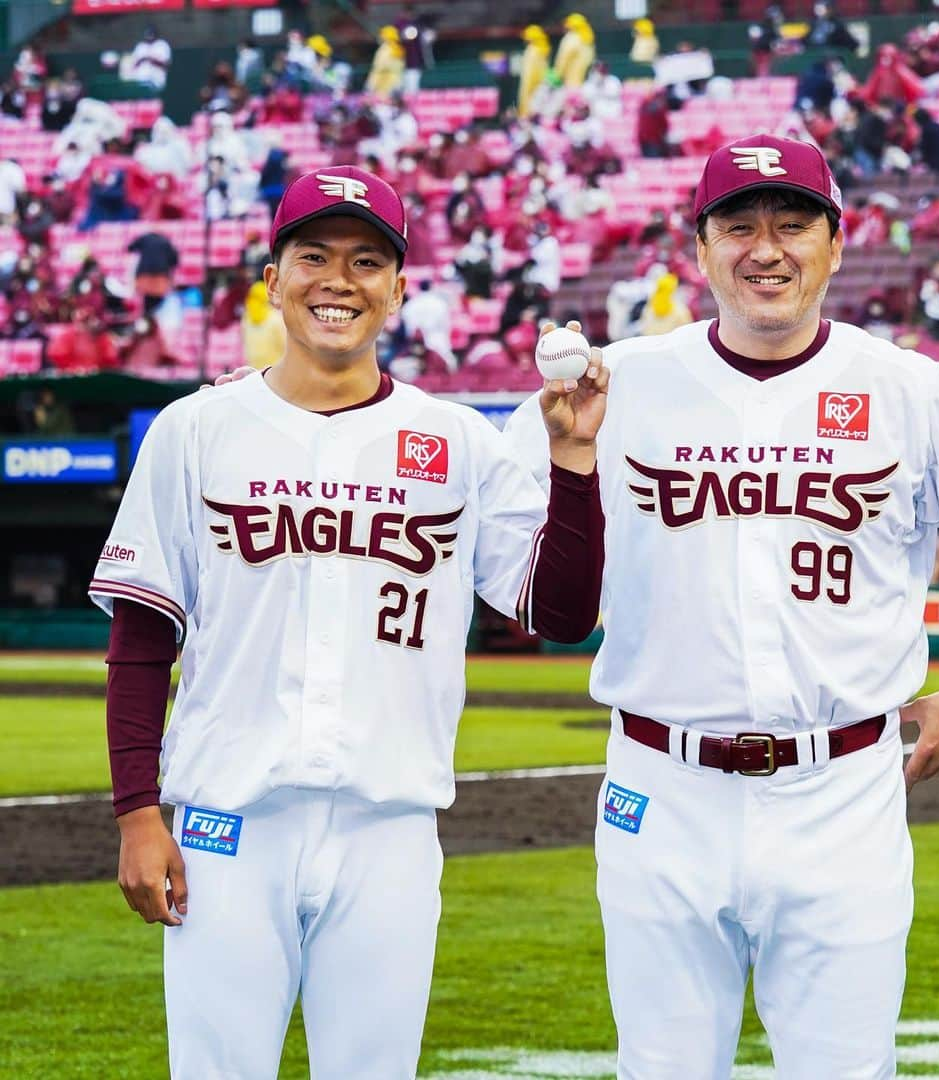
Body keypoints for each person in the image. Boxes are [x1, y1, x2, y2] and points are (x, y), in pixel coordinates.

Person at [502, 133, 939, 1078]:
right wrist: (267, 404)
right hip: (660, 786)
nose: (766, 248)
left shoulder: (906, 389)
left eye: (793, 224)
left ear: (836, 245)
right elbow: (534, 588)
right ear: (701, 248)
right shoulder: (614, 384)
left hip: (840, 789)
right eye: (739, 227)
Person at [87, 163, 608, 1080]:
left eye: (368, 261)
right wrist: (136, 813)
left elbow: (562, 614)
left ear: (399, 288)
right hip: (227, 828)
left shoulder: (456, 441)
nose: (340, 281)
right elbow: (140, 641)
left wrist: (573, 460)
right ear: (273, 274)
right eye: (314, 255)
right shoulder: (195, 430)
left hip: (391, 831)